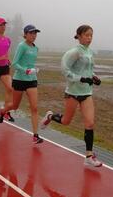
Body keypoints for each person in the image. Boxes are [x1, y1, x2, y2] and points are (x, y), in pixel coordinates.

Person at [40, 25, 102, 167]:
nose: (89, 38)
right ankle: (50, 116)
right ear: (79, 36)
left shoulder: (90, 52)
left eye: (91, 35)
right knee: (66, 121)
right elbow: (65, 70)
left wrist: (94, 77)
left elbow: (88, 70)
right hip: (73, 93)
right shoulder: (74, 52)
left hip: (86, 92)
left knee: (90, 123)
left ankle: (88, 156)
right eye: (86, 35)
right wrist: (80, 79)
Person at [0, 24, 43, 144]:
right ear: (26, 34)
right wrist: (25, 70)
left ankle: (35, 135)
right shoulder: (21, 46)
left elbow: (30, 63)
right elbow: (14, 64)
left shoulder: (35, 48)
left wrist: (33, 70)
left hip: (32, 80)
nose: (34, 36)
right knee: (15, 106)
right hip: (19, 80)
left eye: (35, 33)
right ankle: (3, 111)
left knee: (34, 107)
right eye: (31, 33)